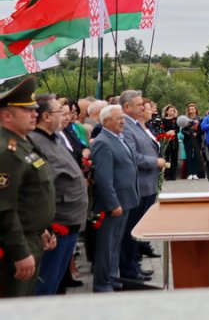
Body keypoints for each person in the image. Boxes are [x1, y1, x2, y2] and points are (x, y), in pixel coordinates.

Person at [0, 77, 56, 298]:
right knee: (14, 303)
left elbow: (28, 196)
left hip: (32, 235)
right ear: (7, 116)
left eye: (34, 109)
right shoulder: (7, 151)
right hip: (17, 241)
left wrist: (41, 229)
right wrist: (20, 253)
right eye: (27, 110)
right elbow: (4, 208)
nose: (35, 114)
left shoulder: (23, 141)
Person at [30, 95, 88, 295]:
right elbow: (40, 187)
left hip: (70, 220)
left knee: (54, 281)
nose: (65, 116)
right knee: (45, 283)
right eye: (59, 112)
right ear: (46, 116)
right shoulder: (36, 142)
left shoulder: (54, 138)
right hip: (58, 223)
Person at [91, 104, 140, 292]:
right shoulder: (103, 142)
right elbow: (103, 178)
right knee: (106, 246)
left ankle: (112, 278)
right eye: (119, 118)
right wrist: (113, 203)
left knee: (115, 245)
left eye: (123, 118)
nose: (123, 121)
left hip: (124, 201)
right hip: (113, 205)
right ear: (106, 121)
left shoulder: (118, 138)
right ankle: (102, 284)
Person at [119, 90, 165, 281]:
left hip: (147, 184)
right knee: (131, 231)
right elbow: (133, 156)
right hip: (138, 185)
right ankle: (129, 271)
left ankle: (134, 266)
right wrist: (155, 162)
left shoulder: (137, 124)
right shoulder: (126, 126)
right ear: (127, 107)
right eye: (138, 105)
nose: (142, 107)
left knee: (137, 230)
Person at [182, 104, 203, 180]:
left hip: (197, 140)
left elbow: (202, 130)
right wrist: (190, 133)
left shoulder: (200, 119)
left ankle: (195, 173)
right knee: (189, 156)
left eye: (192, 109)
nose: (191, 111)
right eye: (189, 109)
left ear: (196, 110)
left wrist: (197, 133)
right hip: (188, 139)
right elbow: (183, 130)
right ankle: (190, 173)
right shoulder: (185, 119)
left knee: (197, 156)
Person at [159, 104, 180, 180]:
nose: (172, 112)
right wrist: (167, 133)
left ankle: (173, 175)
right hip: (166, 140)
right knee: (167, 157)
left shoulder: (176, 120)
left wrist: (173, 131)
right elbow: (161, 130)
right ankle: (167, 174)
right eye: (170, 110)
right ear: (167, 111)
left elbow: (178, 129)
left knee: (174, 157)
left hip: (174, 139)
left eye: (173, 111)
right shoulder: (163, 120)